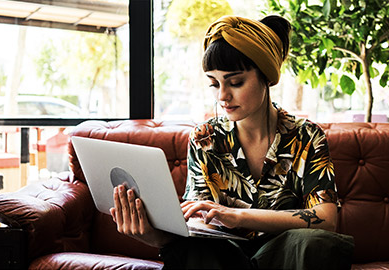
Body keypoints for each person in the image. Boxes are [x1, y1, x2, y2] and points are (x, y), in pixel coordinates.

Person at [110, 14, 354, 269]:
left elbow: (326, 219)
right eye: (214, 84)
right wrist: (151, 235)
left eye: (235, 82)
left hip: (285, 258)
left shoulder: (307, 136)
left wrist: (238, 216)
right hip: (223, 259)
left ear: (266, 77)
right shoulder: (204, 138)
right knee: (194, 247)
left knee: (315, 243)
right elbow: (197, 222)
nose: (223, 96)